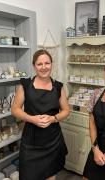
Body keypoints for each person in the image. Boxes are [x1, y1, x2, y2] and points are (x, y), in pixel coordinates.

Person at [11, 49, 70, 180]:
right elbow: (15, 109)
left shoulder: (58, 87)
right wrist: (32, 119)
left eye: (47, 63)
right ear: (34, 66)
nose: (44, 67)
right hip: (31, 141)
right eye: (40, 64)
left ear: (51, 64)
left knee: (50, 176)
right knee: (28, 175)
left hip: (53, 140)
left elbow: (66, 110)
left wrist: (53, 118)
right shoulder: (25, 85)